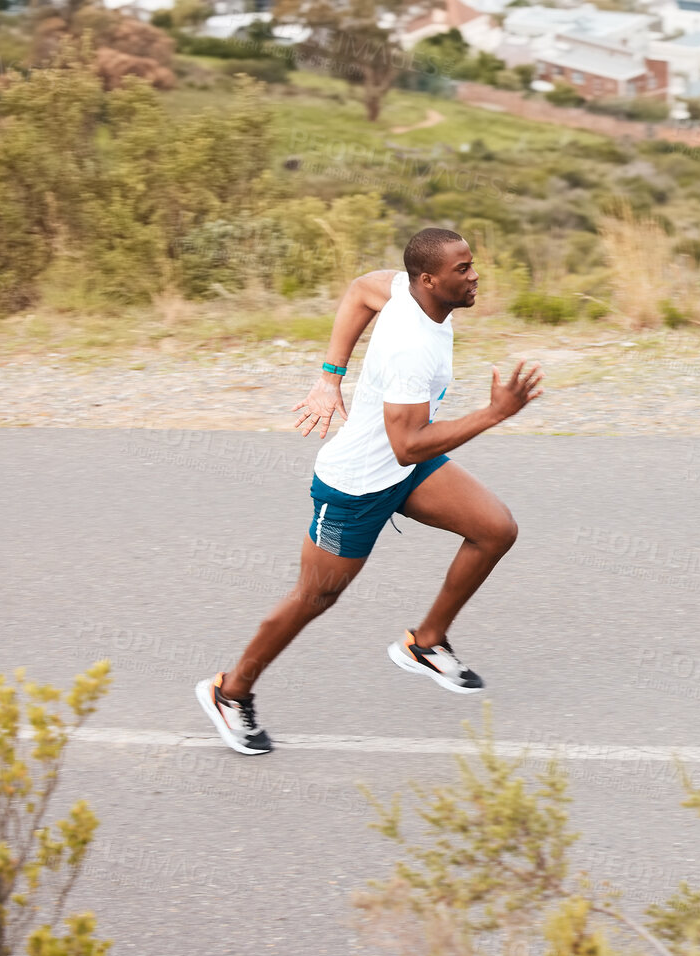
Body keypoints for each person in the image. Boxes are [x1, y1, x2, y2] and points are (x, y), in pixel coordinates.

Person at [196, 228, 543, 755]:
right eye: (463, 269)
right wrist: (493, 414)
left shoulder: (405, 292)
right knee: (315, 597)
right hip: (357, 485)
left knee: (495, 529)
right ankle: (230, 691)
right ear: (428, 279)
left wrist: (330, 375)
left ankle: (426, 643)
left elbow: (360, 288)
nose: (475, 276)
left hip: (404, 469)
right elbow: (408, 444)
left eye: (472, 264)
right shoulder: (412, 348)